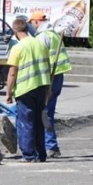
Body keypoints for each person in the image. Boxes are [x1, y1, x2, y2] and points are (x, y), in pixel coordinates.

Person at [5, 18, 51, 162]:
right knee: (39, 122)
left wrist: (8, 92)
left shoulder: (17, 48)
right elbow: (48, 66)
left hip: (25, 89)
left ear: (15, 31)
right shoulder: (40, 43)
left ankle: (29, 155)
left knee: (26, 122)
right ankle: (41, 154)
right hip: (42, 86)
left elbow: (12, 72)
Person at [28, 11, 72, 158]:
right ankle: (49, 145)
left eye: (32, 22)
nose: (32, 26)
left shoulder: (43, 37)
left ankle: (50, 146)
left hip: (50, 78)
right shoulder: (53, 35)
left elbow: (40, 58)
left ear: (36, 22)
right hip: (57, 76)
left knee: (44, 112)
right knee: (47, 111)